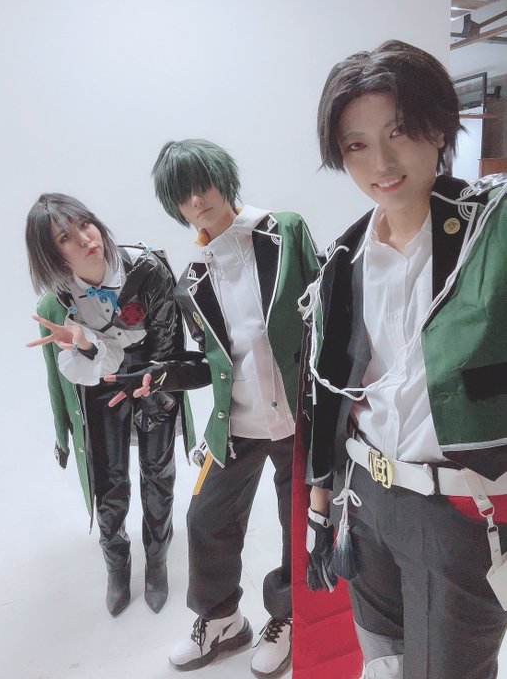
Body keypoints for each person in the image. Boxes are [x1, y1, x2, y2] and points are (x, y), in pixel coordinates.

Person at [301, 39, 507, 678]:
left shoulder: (491, 229)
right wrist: (321, 502)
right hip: (365, 497)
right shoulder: (344, 259)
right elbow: (332, 394)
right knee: (384, 661)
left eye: (399, 132)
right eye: (357, 145)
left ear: (439, 128)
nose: (382, 163)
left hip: (459, 509)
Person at [110, 138, 320, 676]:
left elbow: (327, 316)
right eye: (182, 196)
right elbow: (210, 364)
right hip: (237, 424)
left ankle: (290, 617)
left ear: (223, 178)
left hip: (299, 416)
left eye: (201, 185)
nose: (196, 201)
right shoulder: (194, 280)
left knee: (297, 523)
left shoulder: (285, 232)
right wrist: (159, 373)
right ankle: (223, 620)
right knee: (205, 518)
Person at [25, 193, 206, 617]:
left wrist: (154, 387)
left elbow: (167, 344)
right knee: (108, 477)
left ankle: (157, 560)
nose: (85, 239)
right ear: (51, 254)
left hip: (153, 373)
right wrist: (85, 346)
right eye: (65, 238)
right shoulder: (60, 297)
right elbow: (67, 372)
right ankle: (116, 563)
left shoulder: (147, 269)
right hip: (100, 380)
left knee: (158, 472)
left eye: (84, 224)